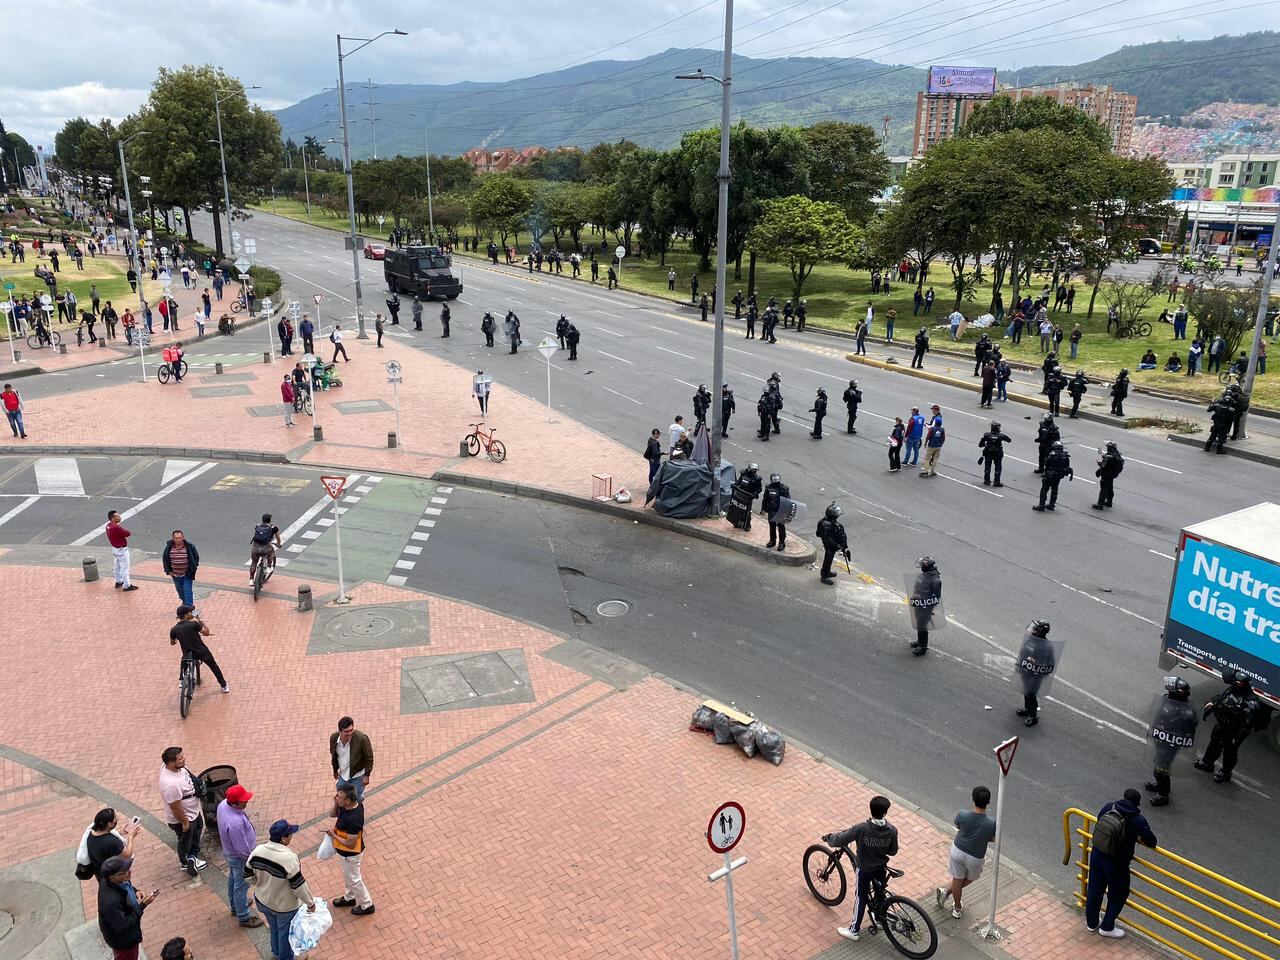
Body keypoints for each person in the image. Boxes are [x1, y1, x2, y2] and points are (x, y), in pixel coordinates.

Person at [1084, 789, 1156, 938]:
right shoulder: (1138, 820)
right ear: (1137, 804)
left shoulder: (1108, 807)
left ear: (1123, 797)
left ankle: (1091, 923)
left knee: (1094, 890)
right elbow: (1152, 842)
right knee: (1118, 894)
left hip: (1097, 855)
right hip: (1117, 864)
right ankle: (1107, 927)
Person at [828, 795, 899, 943]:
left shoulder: (862, 828)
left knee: (861, 897)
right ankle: (879, 918)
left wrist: (829, 838)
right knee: (879, 894)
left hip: (865, 869)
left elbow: (841, 839)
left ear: (871, 809)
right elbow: (893, 851)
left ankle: (854, 930)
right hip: (881, 867)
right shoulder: (892, 830)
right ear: (885, 812)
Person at [249, 820, 317, 960]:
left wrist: (260, 883)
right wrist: (310, 903)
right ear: (283, 839)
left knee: (274, 928)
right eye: (290, 834)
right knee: (285, 933)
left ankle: (276, 952)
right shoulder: (289, 858)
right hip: (284, 907)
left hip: (263, 900)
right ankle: (284, 957)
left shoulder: (258, 851)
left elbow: (247, 875)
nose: (291, 836)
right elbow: (298, 886)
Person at [936, 786, 996, 921]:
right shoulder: (992, 823)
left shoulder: (962, 814)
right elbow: (993, 839)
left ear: (973, 800)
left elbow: (958, 827)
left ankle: (956, 906)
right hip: (975, 857)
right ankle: (948, 894)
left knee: (957, 879)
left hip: (957, 850)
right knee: (971, 878)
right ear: (988, 803)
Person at [1195, 671, 1264, 784]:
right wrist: (1212, 703)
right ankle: (1207, 763)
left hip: (1235, 730)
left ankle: (1226, 772)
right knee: (1214, 745)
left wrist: (1238, 737)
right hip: (1222, 725)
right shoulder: (1231, 690)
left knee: (1230, 751)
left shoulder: (1250, 699)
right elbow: (1221, 698)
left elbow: (1249, 721)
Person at [217, 785, 265, 927]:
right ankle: (243, 916)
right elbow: (242, 850)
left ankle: (235, 905)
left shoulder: (223, 805)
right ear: (235, 803)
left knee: (233, 879)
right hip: (240, 858)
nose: (246, 802)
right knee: (241, 886)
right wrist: (253, 860)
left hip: (230, 854)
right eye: (243, 800)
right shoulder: (235, 823)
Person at [159, 746, 209, 876]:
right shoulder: (171, 785)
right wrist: (185, 822)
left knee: (197, 828)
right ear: (171, 763)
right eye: (180, 758)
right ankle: (186, 861)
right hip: (184, 817)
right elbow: (175, 807)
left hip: (192, 811)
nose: (184, 759)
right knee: (186, 838)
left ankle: (193, 855)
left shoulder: (174, 769)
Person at [1146, 677, 1197, 806]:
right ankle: (1159, 785)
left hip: (1171, 743)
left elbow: (1189, 730)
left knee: (1162, 768)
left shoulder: (1187, 712)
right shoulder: (1168, 700)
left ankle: (1163, 795)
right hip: (1161, 738)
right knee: (1159, 763)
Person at [329, 784, 375, 916]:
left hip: (351, 853)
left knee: (354, 879)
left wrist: (334, 836)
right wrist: (336, 803)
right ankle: (350, 897)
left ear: (348, 801)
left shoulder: (354, 818)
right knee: (348, 875)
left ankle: (367, 905)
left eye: (340, 797)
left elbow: (350, 843)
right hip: (345, 853)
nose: (337, 798)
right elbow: (332, 815)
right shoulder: (349, 805)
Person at [98, 856, 155, 960]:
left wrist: (135, 891)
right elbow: (123, 926)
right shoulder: (111, 902)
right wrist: (142, 905)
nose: (129, 872)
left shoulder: (117, 880)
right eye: (124, 872)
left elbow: (126, 886)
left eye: (128, 869)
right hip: (124, 942)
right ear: (112, 877)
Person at [85, 808, 136, 882]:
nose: (117, 819)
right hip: (113, 877)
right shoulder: (112, 842)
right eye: (115, 818)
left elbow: (104, 838)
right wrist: (131, 837)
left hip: (100, 874)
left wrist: (120, 832)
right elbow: (128, 854)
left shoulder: (93, 832)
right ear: (110, 824)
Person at [330, 716, 374, 800]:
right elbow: (333, 755)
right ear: (340, 731)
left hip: (357, 775)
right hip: (343, 775)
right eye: (346, 731)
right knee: (341, 797)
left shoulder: (362, 739)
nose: (350, 733)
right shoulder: (334, 738)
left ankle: (359, 798)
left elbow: (369, 758)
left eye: (351, 730)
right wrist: (335, 770)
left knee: (354, 800)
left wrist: (367, 775)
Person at [908, 555, 942, 655]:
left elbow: (936, 596)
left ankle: (923, 646)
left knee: (922, 625)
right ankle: (919, 641)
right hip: (919, 602)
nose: (921, 568)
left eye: (923, 566)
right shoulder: (926, 575)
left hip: (926, 605)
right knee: (919, 623)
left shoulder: (934, 580)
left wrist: (926, 604)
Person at [162, 530, 200, 608]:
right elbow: (165, 559)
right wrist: (169, 571)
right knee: (180, 590)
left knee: (187, 589)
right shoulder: (169, 547)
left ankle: (189, 607)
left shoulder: (189, 546)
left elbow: (196, 557)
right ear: (173, 538)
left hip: (187, 574)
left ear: (183, 537)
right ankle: (185, 602)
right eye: (176, 538)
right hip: (175, 574)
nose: (178, 540)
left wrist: (193, 568)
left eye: (180, 538)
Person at [1033, 441, 1073, 512]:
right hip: (1058, 476)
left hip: (1050, 475)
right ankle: (1051, 505)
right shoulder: (1065, 456)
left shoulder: (1053, 455)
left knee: (1044, 489)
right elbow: (1067, 466)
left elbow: (1046, 463)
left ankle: (1041, 505)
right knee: (1054, 490)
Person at [815, 502, 849, 585]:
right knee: (828, 559)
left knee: (829, 559)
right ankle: (824, 576)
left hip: (832, 544)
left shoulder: (830, 522)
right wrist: (836, 545)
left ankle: (827, 572)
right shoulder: (827, 525)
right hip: (830, 545)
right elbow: (827, 538)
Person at [104, 510, 138, 591]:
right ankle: (127, 585)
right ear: (113, 518)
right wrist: (119, 527)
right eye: (117, 516)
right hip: (122, 550)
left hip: (115, 549)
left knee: (117, 567)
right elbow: (127, 533)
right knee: (125, 568)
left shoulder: (108, 526)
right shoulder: (116, 527)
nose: (119, 517)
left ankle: (118, 581)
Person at [1092, 442, 1124, 510]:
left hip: (1106, 475)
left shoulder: (1108, 457)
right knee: (1110, 488)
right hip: (1112, 475)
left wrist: (1098, 470)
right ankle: (1109, 502)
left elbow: (1104, 466)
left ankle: (1100, 504)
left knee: (1103, 489)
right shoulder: (1117, 455)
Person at [762, 473, 790, 551]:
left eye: (777, 480)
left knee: (781, 528)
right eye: (774, 480)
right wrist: (763, 509)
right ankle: (772, 540)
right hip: (772, 510)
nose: (776, 481)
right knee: (772, 527)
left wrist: (786, 512)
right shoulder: (768, 488)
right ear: (771, 480)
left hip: (780, 511)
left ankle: (781, 543)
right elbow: (765, 499)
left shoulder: (784, 488)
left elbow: (787, 501)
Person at [978, 421, 1011, 487]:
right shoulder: (1001, 436)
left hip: (988, 453)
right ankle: (996, 482)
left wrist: (985, 444)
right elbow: (1009, 440)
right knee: (998, 467)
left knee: (987, 467)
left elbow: (980, 444)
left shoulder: (987, 435)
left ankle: (987, 480)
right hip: (998, 454)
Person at [250, 513, 281, 583]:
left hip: (255, 547)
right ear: (269, 520)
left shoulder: (257, 526)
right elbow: (278, 538)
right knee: (272, 551)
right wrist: (278, 544)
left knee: (254, 562)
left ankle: (251, 579)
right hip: (266, 547)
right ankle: (269, 567)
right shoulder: (273, 527)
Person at [920, 405, 945, 478]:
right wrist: (941, 444)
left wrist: (925, 443)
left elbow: (928, 436)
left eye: (933, 410)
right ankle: (933, 471)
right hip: (938, 445)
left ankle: (925, 471)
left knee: (927, 458)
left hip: (932, 445)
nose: (932, 411)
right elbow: (943, 438)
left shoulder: (932, 428)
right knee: (935, 458)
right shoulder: (942, 429)